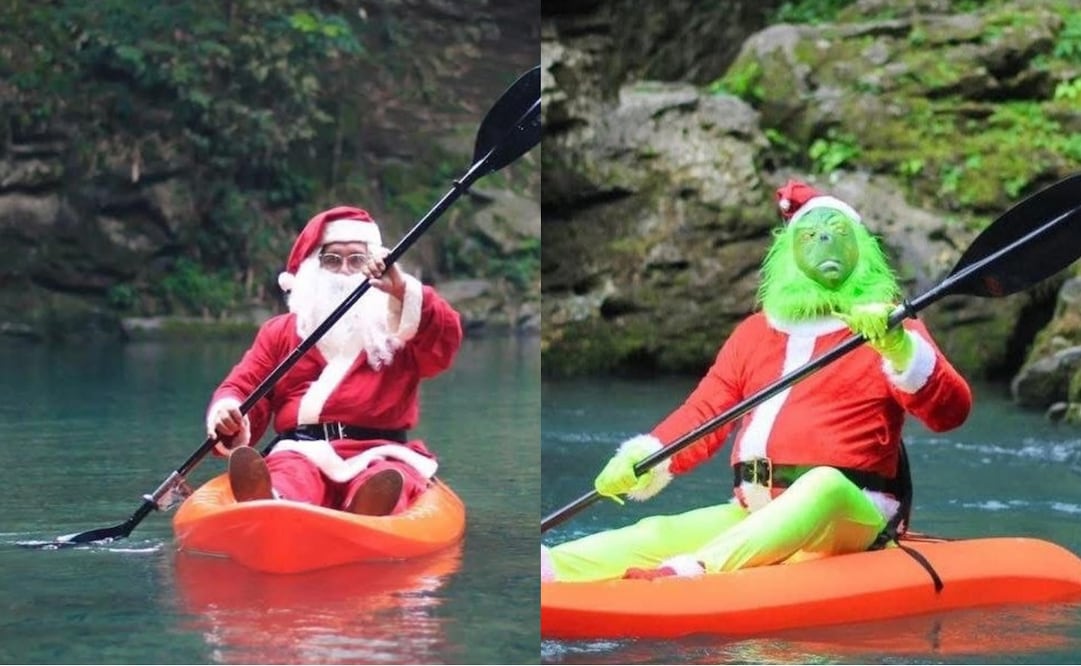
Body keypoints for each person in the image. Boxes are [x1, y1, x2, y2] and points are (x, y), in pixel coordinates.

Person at [541, 179, 973, 582]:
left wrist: (898, 348)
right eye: (810, 234)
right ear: (787, 254)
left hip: (850, 512)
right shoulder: (754, 333)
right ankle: (551, 570)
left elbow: (951, 413)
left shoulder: (888, 325)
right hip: (756, 508)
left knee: (820, 486)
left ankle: (693, 573)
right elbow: (706, 412)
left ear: (861, 247)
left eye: (836, 231)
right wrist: (646, 457)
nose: (823, 240)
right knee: (654, 532)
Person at [206, 206, 463, 515]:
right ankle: (272, 502)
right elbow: (243, 386)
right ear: (315, 267)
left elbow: (444, 343)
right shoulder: (281, 332)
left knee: (387, 478)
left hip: (380, 452)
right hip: (300, 452)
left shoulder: (400, 325)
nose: (344, 270)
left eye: (357, 260)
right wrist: (229, 414)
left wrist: (403, 291)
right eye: (332, 259)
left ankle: (370, 510)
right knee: (290, 475)